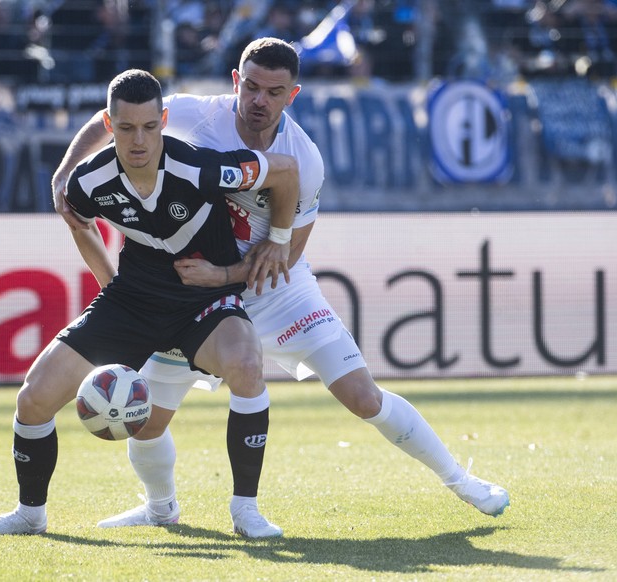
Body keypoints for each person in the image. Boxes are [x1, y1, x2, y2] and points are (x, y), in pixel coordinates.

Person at [51, 37, 510, 536]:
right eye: (250, 86)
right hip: (193, 301)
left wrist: (224, 275)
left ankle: (461, 481)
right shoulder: (194, 114)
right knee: (145, 418)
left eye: (273, 91)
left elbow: (284, 256)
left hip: (275, 292)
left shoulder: (304, 159)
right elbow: (113, 117)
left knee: (364, 397)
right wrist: (64, 172)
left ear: (293, 94)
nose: (258, 100)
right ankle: (160, 507)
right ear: (235, 82)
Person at [0, 68, 300, 536]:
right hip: (131, 301)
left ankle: (246, 511)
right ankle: (29, 515)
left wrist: (280, 239)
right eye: (125, 128)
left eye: (148, 127)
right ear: (109, 123)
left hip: (203, 301)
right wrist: (110, 286)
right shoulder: (88, 180)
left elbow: (285, 171)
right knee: (33, 398)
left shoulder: (202, 168)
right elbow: (78, 221)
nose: (138, 140)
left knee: (245, 365)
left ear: (163, 119)